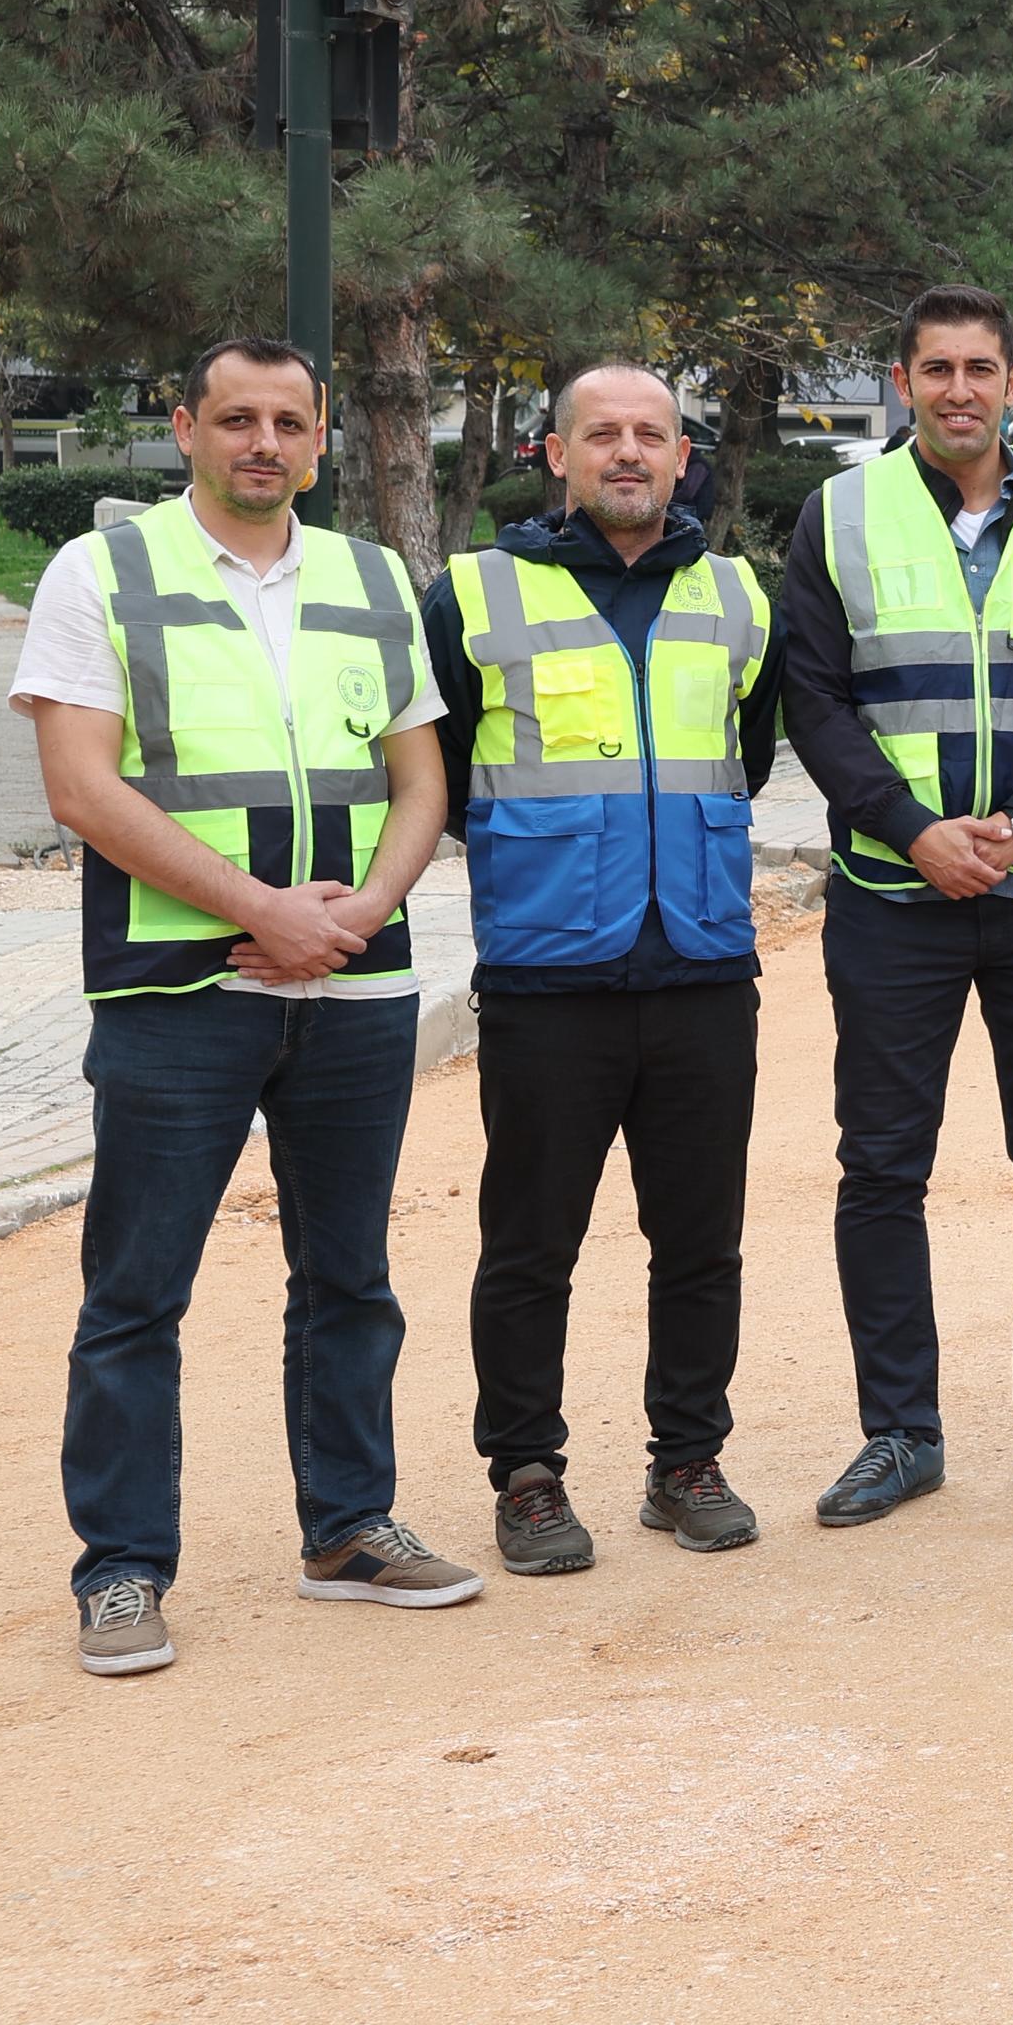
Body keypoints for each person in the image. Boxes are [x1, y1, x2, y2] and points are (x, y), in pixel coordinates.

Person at [14, 337, 469, 1676]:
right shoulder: (101, 571)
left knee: (350, 1278)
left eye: (288, 421)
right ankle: (122, 1570)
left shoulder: (373, 578)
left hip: (354, 984)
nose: (263, 442)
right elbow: (82, 788)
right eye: (236, 419)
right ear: (185, 428)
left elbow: (422, 781)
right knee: (136, 1291)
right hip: (178, 988)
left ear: (321, 439)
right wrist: (264, 910)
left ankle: (349, 1529)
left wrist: (357, 913)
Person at [776, 287, 1013, 1523]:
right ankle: (900, 1435)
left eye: (979, 368)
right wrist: (912, 831)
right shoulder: (840, 512)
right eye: (935, 369)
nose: (957, 390)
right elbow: (813, 696)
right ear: (901, 382)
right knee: (883, 1167)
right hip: (896, 896)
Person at [429, 362, 786, 1573]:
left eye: (651, 434)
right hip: (548, 981)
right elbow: (438, 776)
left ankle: (686, 1462)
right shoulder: (474, 594)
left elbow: (748, 752)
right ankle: (527, 1474)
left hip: (702, 972)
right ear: (556, 454)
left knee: (701, 1242)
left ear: (683, 457)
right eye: (602, 435)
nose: (628, 452)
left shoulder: (738, 597)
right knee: (532, 1244)